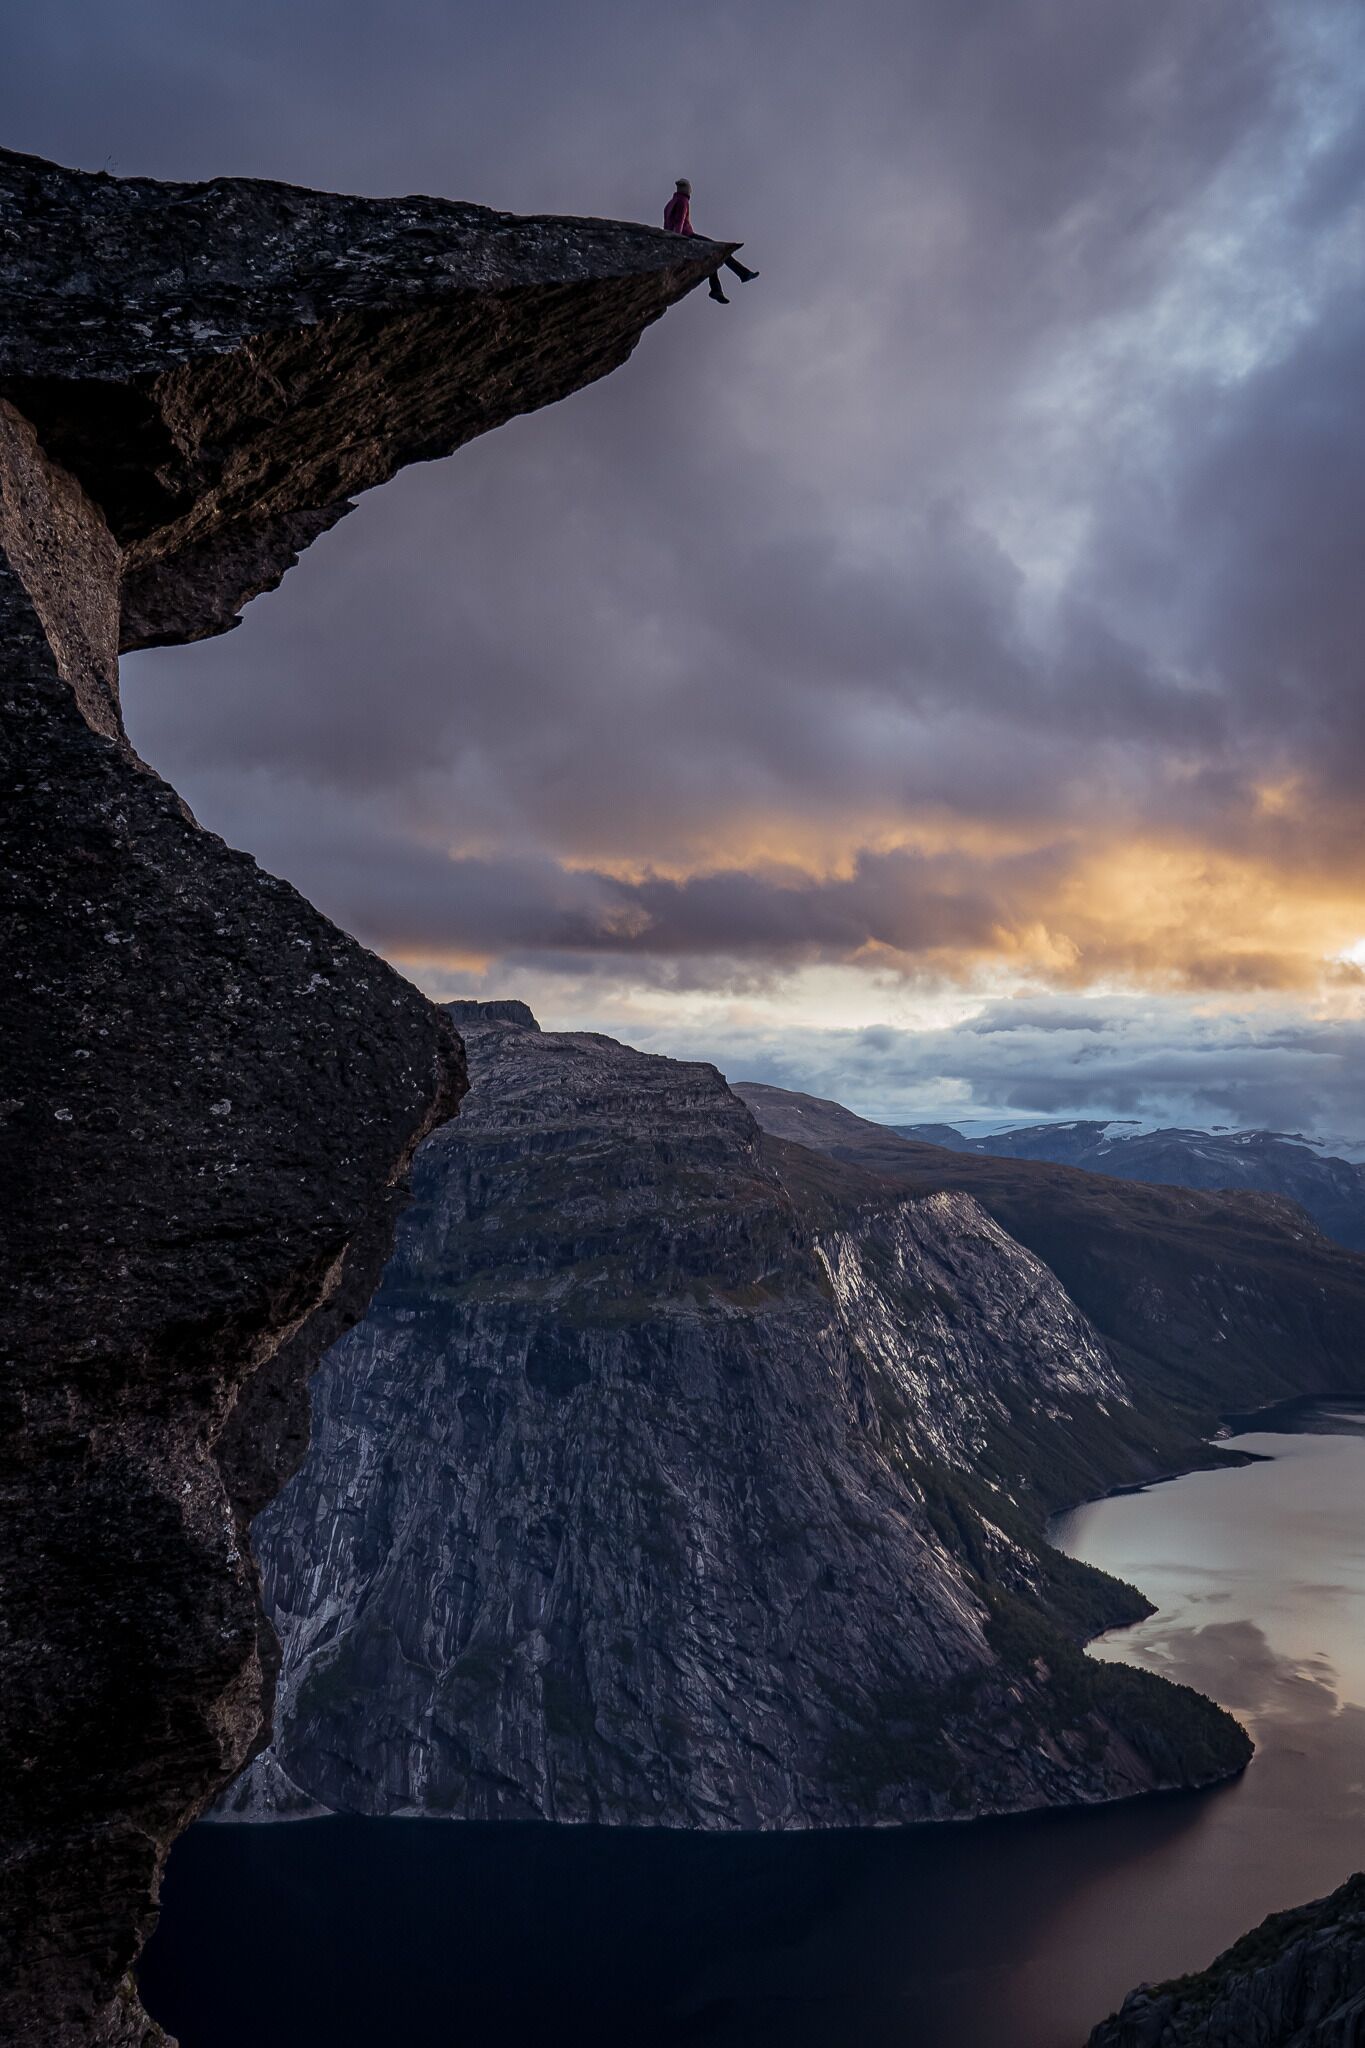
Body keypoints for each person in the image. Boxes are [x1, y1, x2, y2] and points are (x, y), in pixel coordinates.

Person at [663, 179, 758, 303]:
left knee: (711, 257)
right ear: (687, 189)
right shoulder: (683, 200)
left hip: (675, 236)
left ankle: (717, 289)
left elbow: (667, 223)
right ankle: (742, 274)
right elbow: (679, 220)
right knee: (717, 250)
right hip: (686, 236)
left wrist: (668, 237)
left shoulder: (670, 203)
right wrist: (678, 239)